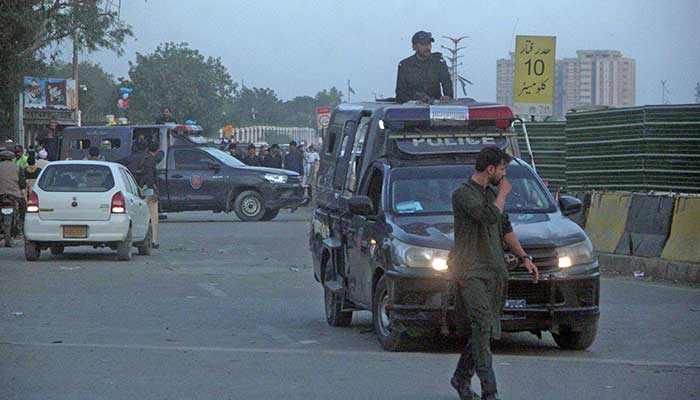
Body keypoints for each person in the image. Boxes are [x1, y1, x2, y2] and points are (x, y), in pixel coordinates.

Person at [448, 146, 538, 400]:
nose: (504, 174)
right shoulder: (463, 195)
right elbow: (487, 217)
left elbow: (505, 228)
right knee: (482, 324)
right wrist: (502, 197)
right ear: (490, 169)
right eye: (502, 169)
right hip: (470, 270)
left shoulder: (494, 194)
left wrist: (524, 257)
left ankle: (461, 377)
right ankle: (491, 392)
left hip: (495, 272)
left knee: (483, 330)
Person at [395, 31, 454, 104]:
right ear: (414, 46)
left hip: (435, 107)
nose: (427, 47)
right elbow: (400, 93)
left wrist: (447, 96)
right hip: (412, 109)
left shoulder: (438, 63)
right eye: (423, 44)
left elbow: (447, 83)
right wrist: (416, 97)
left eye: (429, 44)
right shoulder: (405, 66)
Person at [141, 142, 164, 249]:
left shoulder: (142, 158)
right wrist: (155, 191)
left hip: (139, 188)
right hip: (148, 189)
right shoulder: (151, 160)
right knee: (153, 216)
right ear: (157, 151)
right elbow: (150, 177)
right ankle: (153, 240)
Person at [0, 148, 26, 241]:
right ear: (12, 158)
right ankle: (20, 227)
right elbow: (22, 184)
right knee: (24, 208)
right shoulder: (18, 167)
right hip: (14, 195)